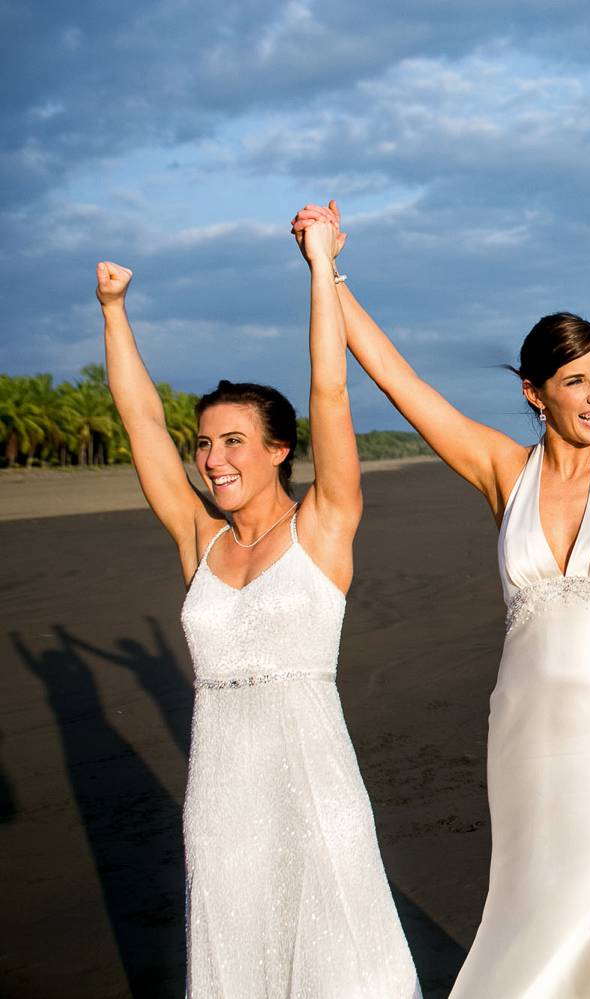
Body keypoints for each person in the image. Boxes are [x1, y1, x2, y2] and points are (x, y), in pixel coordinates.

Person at [292, 158, 590, 996]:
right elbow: (400, 382)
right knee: (535, 924)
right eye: (576, 381)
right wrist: (328, 270)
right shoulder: (498, 471)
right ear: (535, 394)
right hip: (529, 743)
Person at [96, 213, 419, 997]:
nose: (212, 459)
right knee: (236, 952)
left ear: (279, 449)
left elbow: (330, 387)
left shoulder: (324, 527)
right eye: (205, 443)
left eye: (234, 440)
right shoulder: (197, 541)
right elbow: (141, 423)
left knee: (344, 957)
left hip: (315, 780)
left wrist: (319, 267)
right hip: (222, 791)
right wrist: (113, 311)